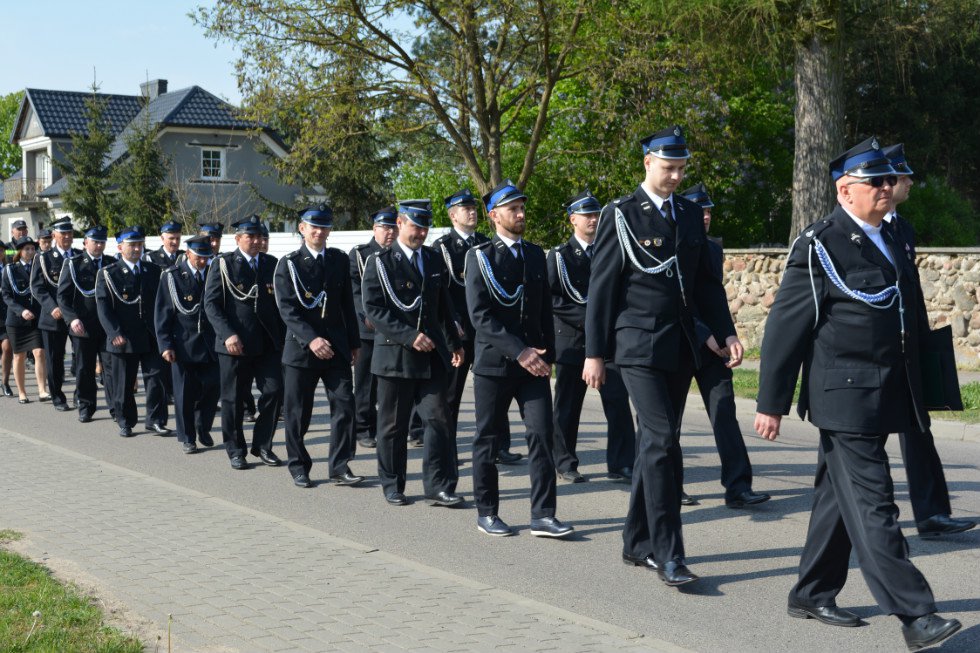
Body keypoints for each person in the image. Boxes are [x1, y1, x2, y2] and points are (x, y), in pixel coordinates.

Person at [755, 137, 961, 651]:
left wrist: (928, 383)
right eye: (878, 182)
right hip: (843, 395)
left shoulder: (892, 237)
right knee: (876, 504)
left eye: (891, 180)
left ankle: (810, 591)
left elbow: (907, 316)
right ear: (846, 189)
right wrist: (770, 402)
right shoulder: (821, 243)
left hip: (887, 389)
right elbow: (785, 327)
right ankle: (916, 615)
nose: (889, 188)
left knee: (835, 498)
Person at [583, 126, 739, 587]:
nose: (674, 176)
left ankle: (635, 539)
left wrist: (726, 332)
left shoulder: (690, 215)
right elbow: (602, 289)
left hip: (681, 345)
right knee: (663, 443)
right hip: (635, 345)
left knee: (658, 441)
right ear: (647, 163)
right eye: (667, 167)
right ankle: (667, 553)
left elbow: (706, 284)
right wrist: (595, 353)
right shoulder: (622, 214)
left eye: (680, 168)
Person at [465, 179, 573, 539]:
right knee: (488, 439)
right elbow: (481, 317)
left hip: (534, 366)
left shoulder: (534, 255)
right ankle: (487, 512)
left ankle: (543, 515)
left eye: (523, 207)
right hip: (496, 364)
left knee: (542, 435)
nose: (521, 213)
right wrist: (520, 351)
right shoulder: (480, 256)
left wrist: (547, 354)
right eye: (513, 209)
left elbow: (544, 310)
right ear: (495, 215)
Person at [881, 144, 975, 538]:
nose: (910, 183)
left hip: (907, 348)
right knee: (855, 438)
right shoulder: (864, 229)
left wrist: (921, 340)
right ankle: (850, 516)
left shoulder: (902, 228)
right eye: (904, 177)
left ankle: (932, 515)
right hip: (874, 353)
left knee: (919, 430)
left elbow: (911, 291)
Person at [669, 182, 770, 508]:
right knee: (669, 422)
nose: (707, 216)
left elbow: (713, 298)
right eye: (702, 210)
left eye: (710, 210)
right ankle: (670, 485)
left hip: (714, 348)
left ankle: (738, 487)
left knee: (724, 411)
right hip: (680, 342)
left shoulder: (712, 248)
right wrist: (703, 334)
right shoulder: (670, 243)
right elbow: (673, 298)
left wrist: (729, 335)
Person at [362, 199, 465, 506]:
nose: (421, 233)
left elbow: (443, 306)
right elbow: (374, 310)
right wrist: (409, 336)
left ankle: (438, 486)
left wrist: (454, 343)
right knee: (393, 425)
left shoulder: (433, 259)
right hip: (395, 356)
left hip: (431, 355)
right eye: (415, 226)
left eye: (425, 227)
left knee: (439, 420)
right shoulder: (380, 262)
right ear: (400, 224)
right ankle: (393, 484)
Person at [418, 189, 520, 464]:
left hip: (485, 330)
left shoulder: (487, 244)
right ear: (452, 215)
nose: (472, 212)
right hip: (459, 330)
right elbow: (441, 293)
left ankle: (500, 446)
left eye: (474, 208)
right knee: (451, 394)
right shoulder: (442, 248)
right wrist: (452, 325)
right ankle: (448, 450)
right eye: (465, 209)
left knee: (497, 388)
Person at [547, 190, 637, 483]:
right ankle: (565, 462)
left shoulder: (611, 251)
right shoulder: (559, 257)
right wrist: (592, 321)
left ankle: (621, 463)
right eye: (587, 215)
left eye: (596, 214)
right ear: (573, 219)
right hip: (573, 343)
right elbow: (553, 300)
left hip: (608, 344)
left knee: (618, 403)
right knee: (567, 407)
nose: (594, 220)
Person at [274, 205, 363, 488]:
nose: (320, 232)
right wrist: (311, 339)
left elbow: (348, 305)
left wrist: (354, 343)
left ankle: (339, 465)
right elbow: (287, 310)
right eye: (314, 227)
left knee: (345, 406)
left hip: (336, 347)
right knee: (298, 413)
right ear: (302, 229)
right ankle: (299, 466)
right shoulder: (288, 264)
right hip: (301, 351)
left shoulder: (338, 259)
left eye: (324, 227)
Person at [204, 215, 284, 471]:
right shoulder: (224, 265)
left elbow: (279, 304)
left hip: (267, 344)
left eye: (260, 236)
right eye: (251, 236)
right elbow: (212, 304)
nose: (257, 241)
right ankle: (235, 449)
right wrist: (227, 334)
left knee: (274, 391)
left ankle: (262, 444)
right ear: (238, 239)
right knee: (233, 399)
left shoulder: (272, 264)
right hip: (234, 345)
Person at [96, 226, 170, 437]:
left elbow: (162, 303)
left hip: (150, 335)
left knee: (157, 377)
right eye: (132, 245)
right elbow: (103, 307)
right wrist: (113, 332)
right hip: (123, 336)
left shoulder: (153, 270)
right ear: (120, 247)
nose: (137, 249)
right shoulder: (109, 273)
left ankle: (155, 419)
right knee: (124, 383)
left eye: (139, 244)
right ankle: (125, 421)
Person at [155, 235, 220, 454]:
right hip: (183, 345)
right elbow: (163, 313)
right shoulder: (172, 276)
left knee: (212, 388)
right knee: (184, 394)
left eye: (206, 257)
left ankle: (202, 425)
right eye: (199, 257)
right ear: (188, 253)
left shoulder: (214, 272)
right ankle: (188, 437)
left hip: (211, 344)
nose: (203, 261)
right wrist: (165, 345)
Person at [349, 207, 398, 449]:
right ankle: (362, 428)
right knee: (366, 383)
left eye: (393, 227)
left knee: (390, 383)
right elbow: (356, 291)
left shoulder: (399, 254)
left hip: (396, 330)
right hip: (368, 331)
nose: (390, 232)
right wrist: (367, 314)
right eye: (385, 227)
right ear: (374, 228)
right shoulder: (361, 254)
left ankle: (388, 426)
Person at [57, 225, 115, 423]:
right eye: (95, 241)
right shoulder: (73, 264)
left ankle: (116, 407)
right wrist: (72, 319)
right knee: (85, 369)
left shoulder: (110, 263)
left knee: (111, 368)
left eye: (101, 242)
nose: (99, 246)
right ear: (85, 243)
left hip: (107, 328)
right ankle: (86, 406)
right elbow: (63, 297)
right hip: (83, 327)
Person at [30, 216, 79, 411]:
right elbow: (37, 288)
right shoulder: (43, 258)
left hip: (76, 317)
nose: (66, 237)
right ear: (54, 235)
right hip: (53, 318)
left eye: (69, 233)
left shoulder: (78, 256)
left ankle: (81, 396)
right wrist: (52, 307)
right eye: (63, 233)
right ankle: (58, 397)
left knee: (82, 359)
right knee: (55, 360)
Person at [1, 237, 49, 402]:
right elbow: (6, 296)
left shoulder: (40, 268)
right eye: (27, 249)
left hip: (35, 318)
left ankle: (42, 389)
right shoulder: (10, 269)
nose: (30, 252)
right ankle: (22, 392)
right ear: (20, 251)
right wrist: (21, 311)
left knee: (39, 352)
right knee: (19, 356)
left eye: (32, 248)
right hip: (16, 320)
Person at [0, 241, 12, 396]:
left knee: (7, 348)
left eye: (1, 250)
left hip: (7, 314)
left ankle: (5, 382)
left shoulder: (8, 270)